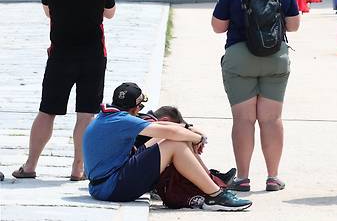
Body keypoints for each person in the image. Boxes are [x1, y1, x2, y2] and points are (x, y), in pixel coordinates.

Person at [12, 0, 116, 181]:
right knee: (86, 114)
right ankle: (77, 169)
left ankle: (30, 165)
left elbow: (48, 11)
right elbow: (110, 14)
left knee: (47, 111)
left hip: (61, 54)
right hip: (93, 55)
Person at [212, 0, 300, 192]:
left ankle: (243, 177)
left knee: (243, 119)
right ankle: (273, 177)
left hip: (240, 56)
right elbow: (293, 26)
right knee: (272, 119)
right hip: (275, 56)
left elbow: (218, 27)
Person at [82, 82, 251, 210]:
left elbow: (166, 129)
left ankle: (211, 183)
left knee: (175, 140)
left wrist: (191, 134)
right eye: (140, 106)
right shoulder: (122, 120)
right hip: (111, 188)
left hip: (102, 185)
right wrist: (197, 138)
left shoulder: (109, 116)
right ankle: (216, 196)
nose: (141, 109)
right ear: (134, 107)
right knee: (173, 145)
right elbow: (170, 133)